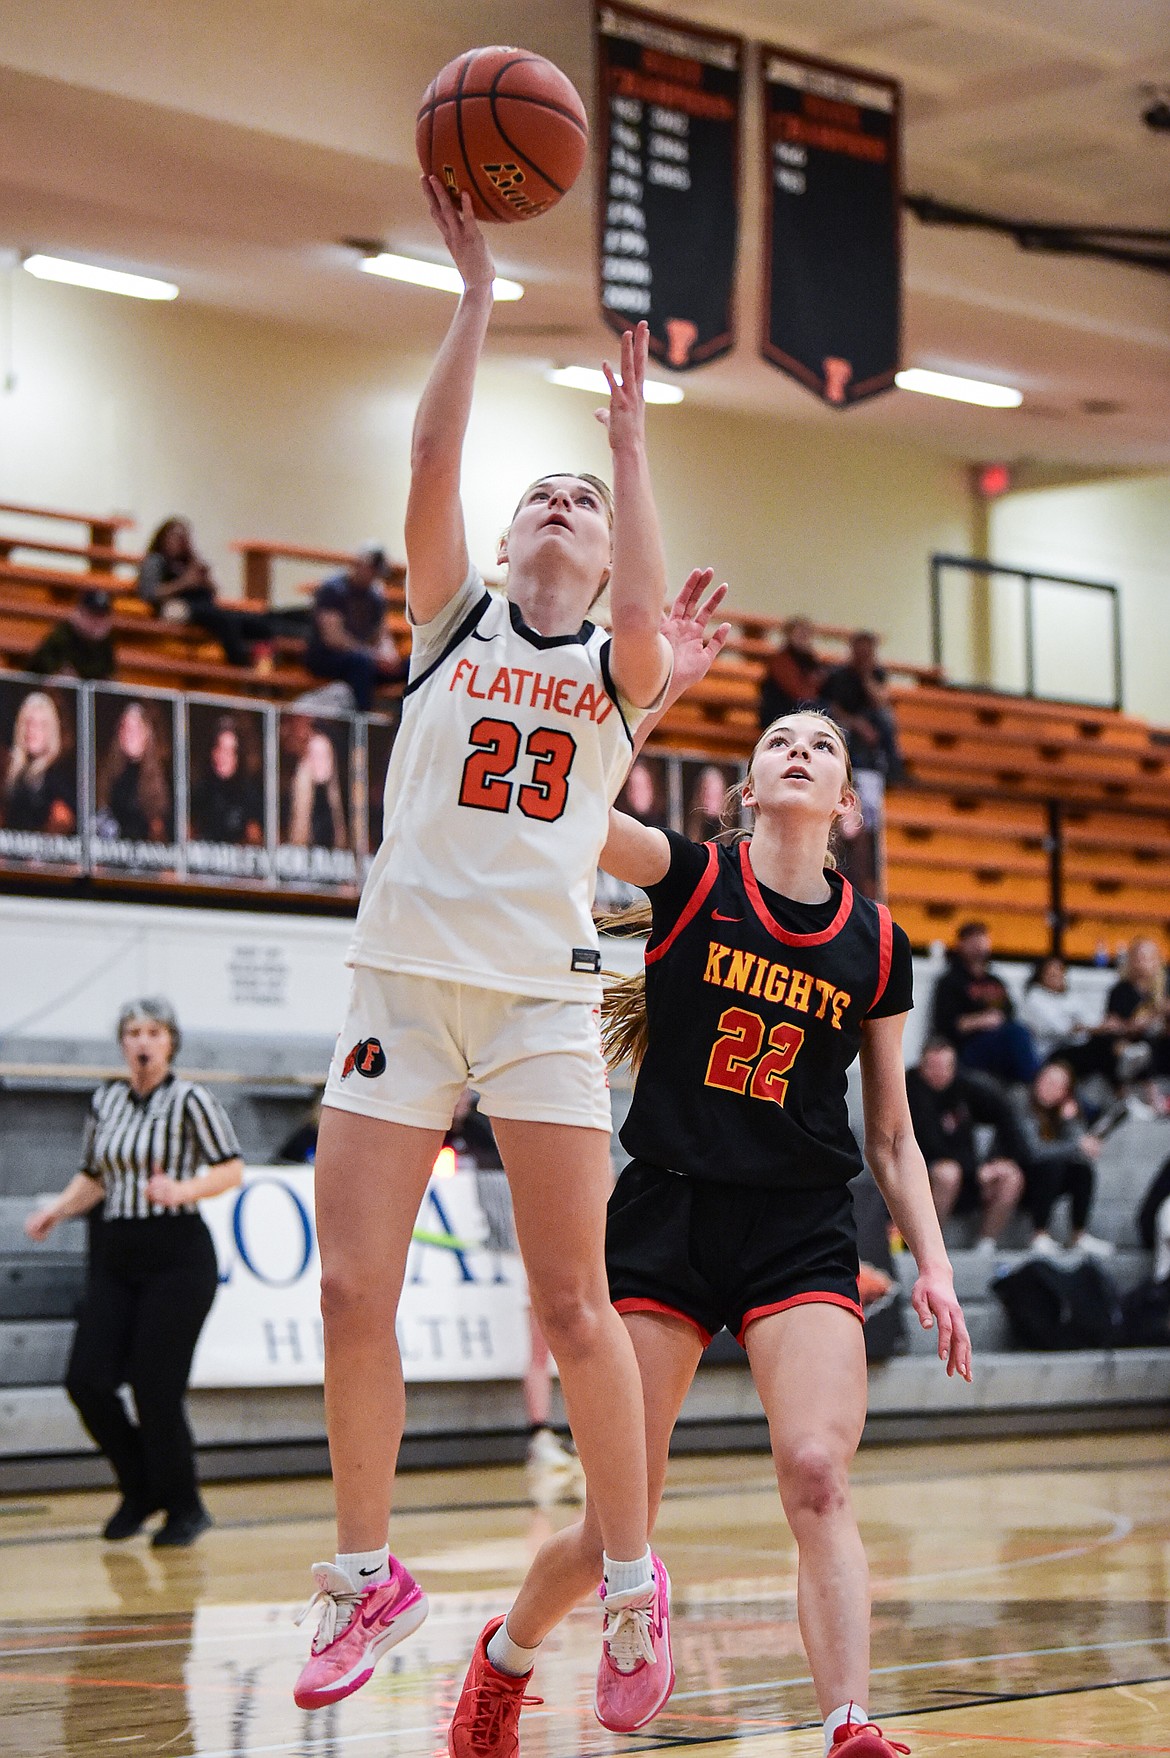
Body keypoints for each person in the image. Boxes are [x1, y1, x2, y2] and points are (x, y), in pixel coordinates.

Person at [291, 176, 699, 1719]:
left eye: (575, 506)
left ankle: (631, 1580)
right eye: (543, 493)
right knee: (349, 1291)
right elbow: (429, 455)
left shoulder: (619, 667)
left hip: (540, 996)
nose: (553, 505)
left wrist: (629, 448)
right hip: (401, 980)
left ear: (601, 563)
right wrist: (470, 301)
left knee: (572, 1304)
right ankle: (365, 1573)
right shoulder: (449, 622)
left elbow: (654, 592)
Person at [448, 708, 970, 1758]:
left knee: (818, 1468)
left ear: (846, 806)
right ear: (747, 787)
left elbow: (892, 1133)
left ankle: (849, 1727)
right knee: (612, 1525)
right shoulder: (690, 878)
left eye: (823, 748)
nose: (800, 752)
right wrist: (645, 702)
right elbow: (575, 808)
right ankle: (504, 1659)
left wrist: (936, 1267)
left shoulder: (877, 943)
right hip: (670, 1214)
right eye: (780, 740)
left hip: (799, 1225)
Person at [24, 999, 243, 1545]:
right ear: (122, 1043)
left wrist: (182, 1189)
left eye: (154, 1032)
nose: (143, 1042)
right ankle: (141, 1486)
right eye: (133, 1032)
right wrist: (58, 1209)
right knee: (87, 1380)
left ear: (171, 1042)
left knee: (155, 1388)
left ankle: (186, 1505)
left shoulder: (191, 1098)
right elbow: (94, 1175)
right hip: (117, 1252)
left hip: (177, 1255)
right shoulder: (106, 1100)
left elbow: (230, 1168)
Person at [905, 1037, 1026, 1255]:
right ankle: (927, 1247)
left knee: (1010, 1175)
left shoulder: (964, 1087)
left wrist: (998, 1159)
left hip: (968, 1173)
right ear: (921, 1065)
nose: (938, 1073)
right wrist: (977, 1170)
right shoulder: (911, 1091)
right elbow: (930, 1146)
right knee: (947, 1173)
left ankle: (985, 1244)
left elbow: (1004, 1114)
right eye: (932, 1066)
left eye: (945, 1067)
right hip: (922, 1175)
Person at [136, 517, 270, 667]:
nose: (180, 541)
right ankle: (239, 662)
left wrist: (205, 580)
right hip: (175, 606)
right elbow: (149, 593)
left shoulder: (189, 561)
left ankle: (263, 662)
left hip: (202, 604)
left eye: (184, 536)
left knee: (248, 620)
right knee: (224, 621)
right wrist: (183, 583)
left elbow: (214, 593)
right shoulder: (156, 560)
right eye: (176, 536)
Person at [1011, 1061, 1113, 1259]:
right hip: (1021, 1174)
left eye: (1056, 1085)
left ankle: (1078, 1234)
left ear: (1065, 1092)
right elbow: (1034, 1151)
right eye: (1045, 1080)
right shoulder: (1021, 1102)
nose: (1047, 1087)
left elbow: (1081, 1153)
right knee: (1052, 1165)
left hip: (1051, 1178)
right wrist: (1076, 1144)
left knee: (1082, 1169)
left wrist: (1070, 1122)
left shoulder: (1064, 1111)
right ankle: (1039, 1234)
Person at [930, 921, 1039, 1084]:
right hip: (967, 1048)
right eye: (973, 940)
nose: (978, 945)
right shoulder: (950, 981)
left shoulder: (995, 981)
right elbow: (946, 1025)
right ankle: (1035, 1084)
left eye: (982, 939)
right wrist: (982, 1021)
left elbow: (1010, 1013)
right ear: (961, 944)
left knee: (1021, 1033)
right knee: (1017, 1034)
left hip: (1000, 1045)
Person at [305, 547, 407, 711]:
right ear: (359, 564)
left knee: (408, 666)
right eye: (371, 569)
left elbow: (382, 634)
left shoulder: (376, 596)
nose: (373, 576)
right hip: (326, 657)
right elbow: (333, 638)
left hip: (363, 656)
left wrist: (389, 656)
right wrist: (373, 656)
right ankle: (362, 723)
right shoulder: (333, 590)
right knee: (362, 664)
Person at [1102, 938, 1170, 1101]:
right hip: (1132, 1041)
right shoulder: (1120, 991)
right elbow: (1116, 1024)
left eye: (1147, 957)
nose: (1142, 963)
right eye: (1138, 957)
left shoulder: (1166, 987)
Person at [96, 699, 172, 843]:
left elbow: (161, 830)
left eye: (136, 728)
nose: (129, 734)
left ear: (146, 734)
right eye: (125, 727)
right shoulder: (108, 773)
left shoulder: (163, 776)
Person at [1, 689, 76, 833]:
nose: (32, 731)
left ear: (51, 730)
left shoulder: (57, 774)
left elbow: (63, 818)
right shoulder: (12, 771)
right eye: (29, 723)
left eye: (41, 725)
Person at [189, 713, 264, 845]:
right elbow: (187, 835)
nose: (223, 756)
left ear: (238, 756)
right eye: (219, 748)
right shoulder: (199, 790)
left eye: (230, 751)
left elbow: (255, 840)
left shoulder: (250, 793)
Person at [28, 587, 116, 681]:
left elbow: (107, 678)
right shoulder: (61, 638)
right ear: (78, 613)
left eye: (102, 617)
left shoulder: (105, 644)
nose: (97, 623)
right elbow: (40, 672)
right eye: (92, 616)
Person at [286, 724, 347, 849]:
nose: (319, 762)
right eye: (314, 756)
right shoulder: (292, 797)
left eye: (324, 756)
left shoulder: (342, 800)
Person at [758, 615, 825, 727]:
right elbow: (797, 691)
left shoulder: (811, 660)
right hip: (781, 713)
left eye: (807, 633)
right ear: (789, 635)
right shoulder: (781, 660)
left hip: (802, 709)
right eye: (800, 633)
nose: (804, 636)